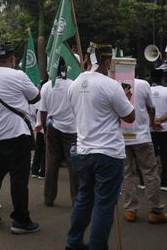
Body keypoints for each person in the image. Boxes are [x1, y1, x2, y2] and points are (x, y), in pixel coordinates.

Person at [65, 43, 135, 250]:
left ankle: (73, 243)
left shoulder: (74, 84)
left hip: (83, 151)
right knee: (104, 205)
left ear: (86, 59)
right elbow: (129, 116)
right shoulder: (111, 85)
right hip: (108, 153)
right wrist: (127, 99)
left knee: (84, 198)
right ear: (106, 62)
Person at [0, 43, 40, 234]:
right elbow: (36, 97)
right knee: (18, 179)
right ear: (13, 59)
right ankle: (21, 220)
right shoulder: (18, 75)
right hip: (17, 134)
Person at [122, 75, 167, 224]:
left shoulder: (113, 84)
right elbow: (151, 108)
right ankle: (155, 210)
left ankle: (130, 209)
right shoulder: (143, 84)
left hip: (121, 136)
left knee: (126, 173)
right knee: (150, 172)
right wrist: (152, 122)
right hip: (142, 136)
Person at [40, 57, 78, 206]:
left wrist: (44, 129)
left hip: (53, 128)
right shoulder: (73, 85)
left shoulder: (47, 86)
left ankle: (49, 198)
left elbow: (43, 112)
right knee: (74, 165)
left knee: (51, 164)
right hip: (72, 130)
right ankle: (76, 199)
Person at [149, 69, 167, 191]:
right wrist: (161, 120)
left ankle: (146, 182)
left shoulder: (147, 91)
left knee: (149, 157)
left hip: (150, 128)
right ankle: (164, 183)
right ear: (163, 79)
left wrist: (153, 122)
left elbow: (144, 108)